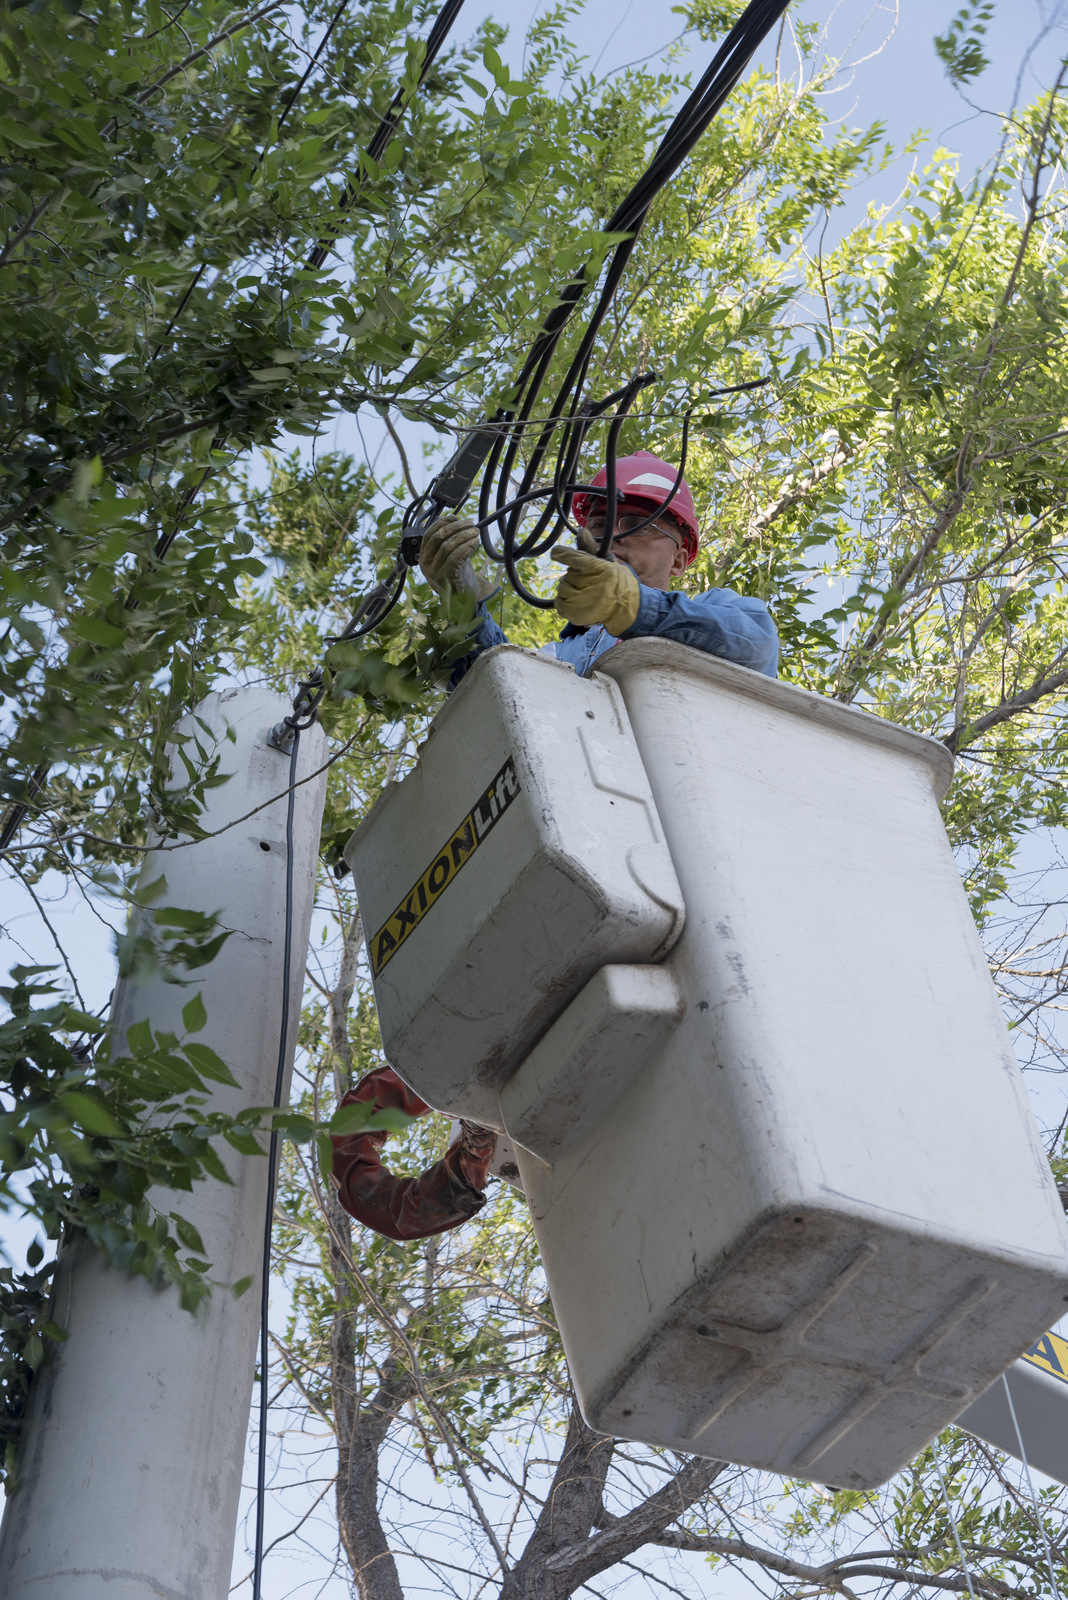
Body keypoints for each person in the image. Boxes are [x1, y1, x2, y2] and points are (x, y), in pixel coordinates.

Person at [419, 450, 779, 680]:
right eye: (599, 524)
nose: (612, 537)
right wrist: (465, 605)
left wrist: (634, 604)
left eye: (638, 523)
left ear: (680, 560)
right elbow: (496, 690)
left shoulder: (714, 613)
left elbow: (756, 644)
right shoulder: (558, 657)